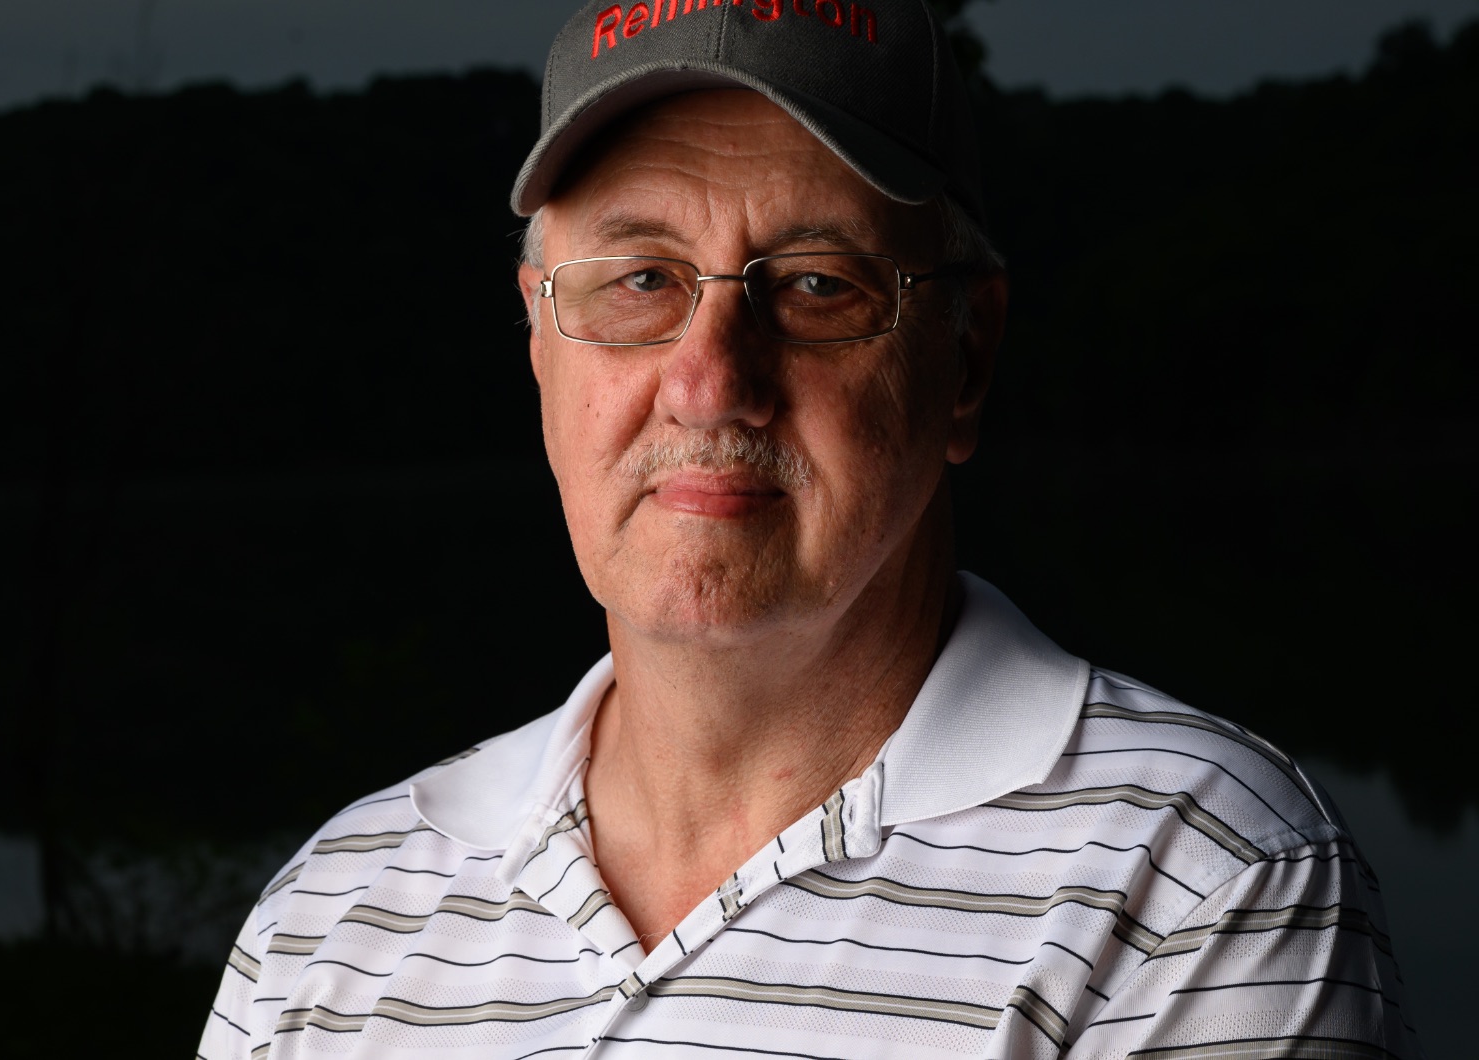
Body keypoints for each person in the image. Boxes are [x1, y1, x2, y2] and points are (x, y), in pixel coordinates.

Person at [199, 2, 1418, 1057]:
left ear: (966, 359)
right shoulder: (332, 920)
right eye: (640, 279)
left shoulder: (1200, 886)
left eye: (817, 285)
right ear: (538, 341)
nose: (710, 383)